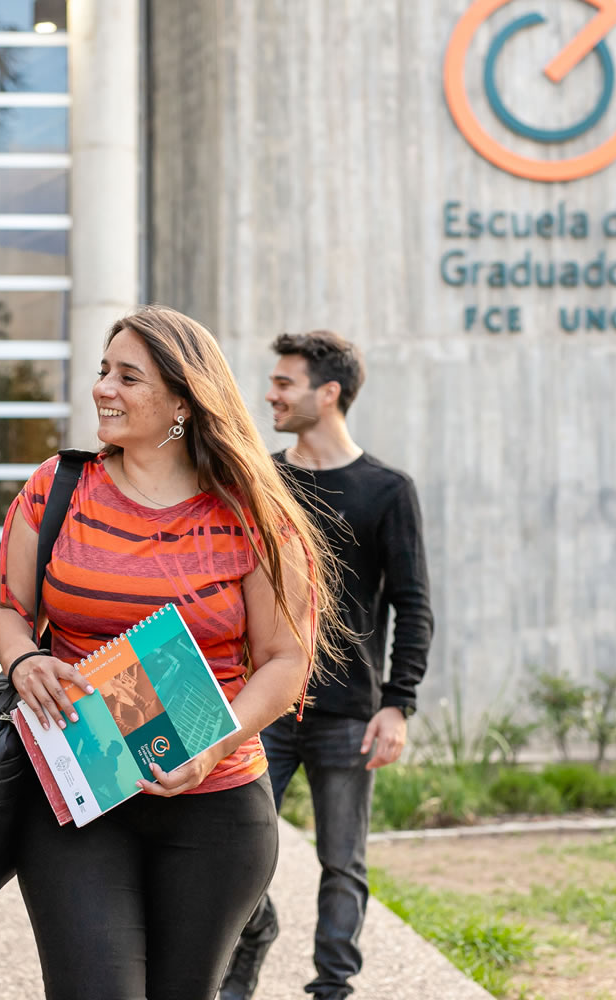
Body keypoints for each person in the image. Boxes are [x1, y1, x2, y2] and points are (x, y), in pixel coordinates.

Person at [0, 305, 346, 1000]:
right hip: (79, 794)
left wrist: (210, 745)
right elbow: (5, 609)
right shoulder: (57, 487)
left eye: (128, 376)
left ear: (182, 401)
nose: (102, 389)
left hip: (216, 806)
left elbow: (284, 660)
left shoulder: (253, 515)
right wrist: (25, 661)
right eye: (102, 372)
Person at [218, 330, 434, 1000]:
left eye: (285, 383)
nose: (270, 394)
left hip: (348, 711)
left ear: (328, 392)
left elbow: (413, 604)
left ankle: (332, 989)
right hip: (263, 705)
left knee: (343, 863)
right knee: (232, 850)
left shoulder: (387, 490)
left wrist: (399, 702)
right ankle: (253, 937)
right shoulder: (262, 479)